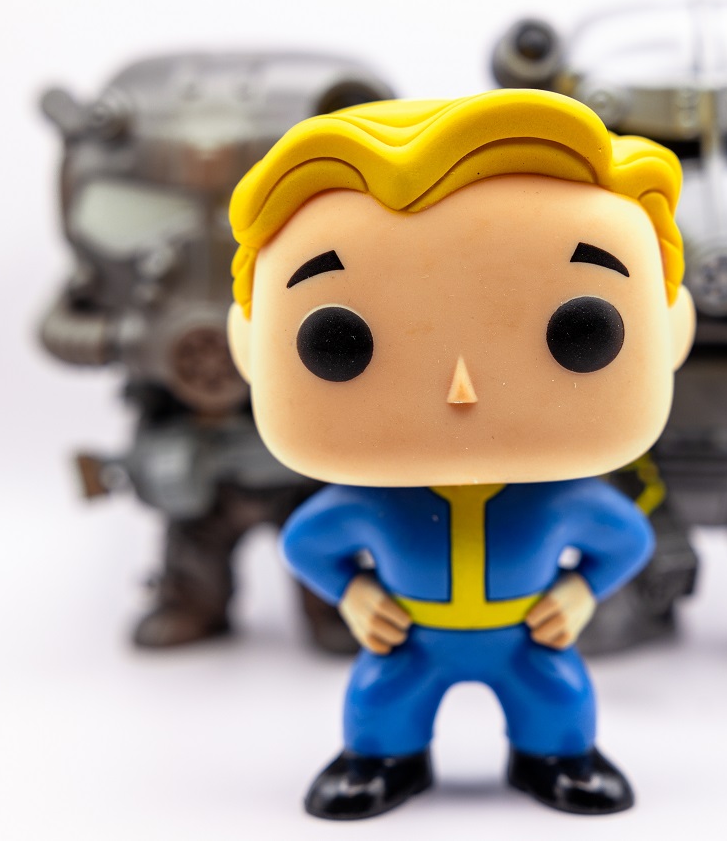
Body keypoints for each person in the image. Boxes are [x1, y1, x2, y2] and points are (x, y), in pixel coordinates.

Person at [225, 89, 694, 819]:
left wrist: (579, 594)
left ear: (672, 332)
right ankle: (382, 760)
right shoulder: (369, 502)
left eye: (582, 330)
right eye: (337, 342)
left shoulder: (564, 499)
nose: (461, 388)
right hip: (412, 638)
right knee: (380, 703)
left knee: (558, 699)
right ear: (248, 347)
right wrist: (356, 597)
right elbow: (306, 545)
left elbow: (627, 541)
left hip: (526, 637)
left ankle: (558, 758)